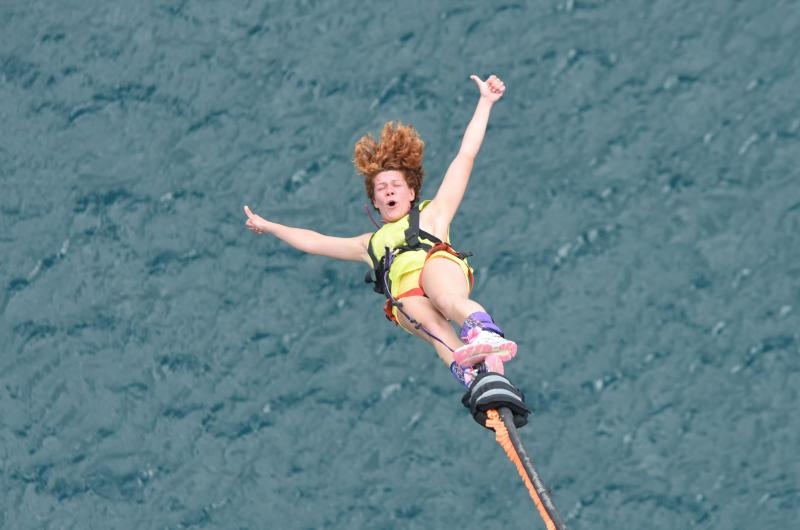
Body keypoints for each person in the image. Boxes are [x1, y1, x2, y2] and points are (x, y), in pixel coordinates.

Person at [244, 74, 516, 388]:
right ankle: (472, 377)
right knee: (424, 319)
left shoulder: (434, 212)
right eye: (381, 188)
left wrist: (485, 103)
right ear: (374, 200)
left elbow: (464, 157)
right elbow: (315, 242)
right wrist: (270, 226)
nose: (388, 191)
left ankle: (482, 331)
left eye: (395, 186)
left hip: (436, 267)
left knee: (443, 296)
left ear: (411, 192)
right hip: (408, 294)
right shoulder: (368, 244)